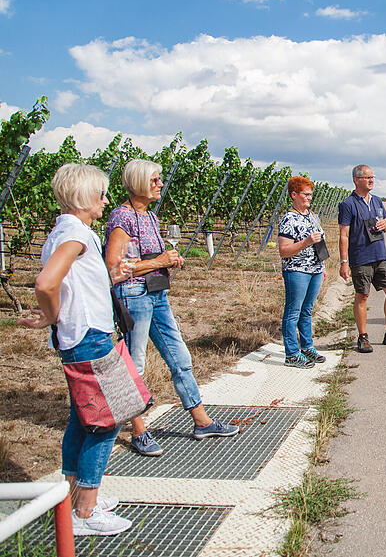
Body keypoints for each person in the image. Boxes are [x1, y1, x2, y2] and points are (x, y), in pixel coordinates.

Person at [18, 163, 133, 536]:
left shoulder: (63, 231)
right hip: (90, 338)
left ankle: (73, 494)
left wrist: (107, 278)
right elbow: (46, 283)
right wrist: (51, 315)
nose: (106, 200)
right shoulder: (77, 234)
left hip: (78, 337)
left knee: (80, 419)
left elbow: (68, 283)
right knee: (106, 420)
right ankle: (86, 509)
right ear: (84, 197)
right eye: (101, 193)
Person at [105, 159, 238, 457]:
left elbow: (152, 256)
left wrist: (169, 259)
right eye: (154, 180)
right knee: (134, 364)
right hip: (133, 295)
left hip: (156, 294)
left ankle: (201, 420)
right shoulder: (121, 218)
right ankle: (138, 430)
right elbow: (113, 267)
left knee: (179, 356)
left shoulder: (150, 216)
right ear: (138, 182)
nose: (160, 184)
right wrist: (159, 262)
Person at [338, 164, 386, 352]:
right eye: (367, 177)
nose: (371, 180)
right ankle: (363, 337)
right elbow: (343, 235)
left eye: (373, 177)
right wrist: (344, 262)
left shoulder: (378, 201)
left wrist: (385, 225)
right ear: (356, 180)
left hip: (380, 255)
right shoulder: (348, 204)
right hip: (361, 257)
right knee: (363, 295)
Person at [278, 176, 328, 368]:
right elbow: (284, 251)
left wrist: (321, 266)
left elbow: (319, 242)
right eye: (305, 194)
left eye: (310, 194)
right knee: (293, 312)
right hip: (297, 271)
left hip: (314, 269)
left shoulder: (311, 215)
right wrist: (306, 242)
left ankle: (307, 347)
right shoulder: (289, 219)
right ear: (294, 195)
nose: (309, 198)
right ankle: (291, 354)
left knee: (306, 311)